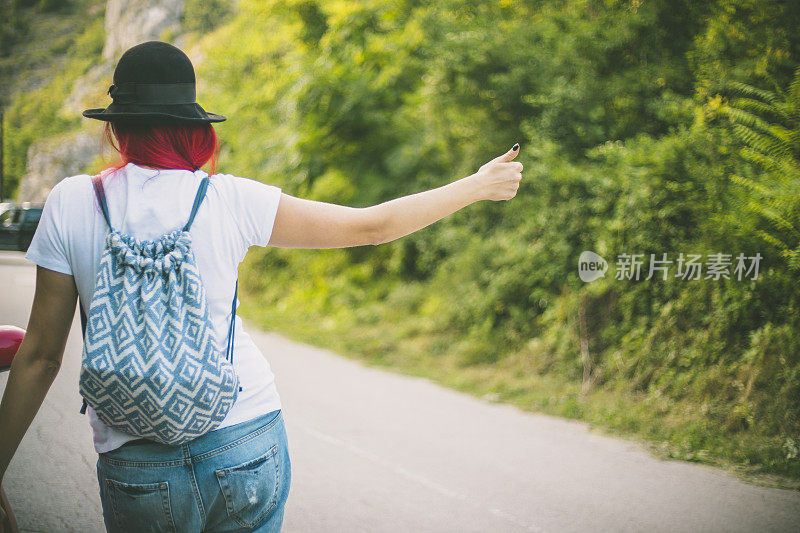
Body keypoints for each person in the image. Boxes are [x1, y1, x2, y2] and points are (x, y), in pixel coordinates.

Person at [0, 40, 523, 532]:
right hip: (242, 437)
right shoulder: (230, 199)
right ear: (191, 126)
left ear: (117, 129)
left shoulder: (71, 201)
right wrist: (476, 185)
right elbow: (372, 226)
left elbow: (42, 355)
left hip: (136, 461)